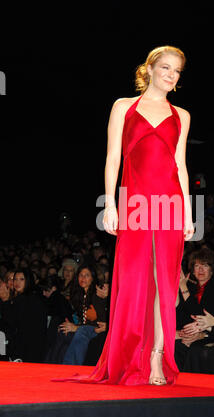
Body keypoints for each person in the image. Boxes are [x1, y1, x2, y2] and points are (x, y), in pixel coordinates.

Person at [56, 46, 193, 386]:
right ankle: (129, 355)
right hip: (133, 203)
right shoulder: (123, 106)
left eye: (176, 71)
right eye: (165, 67)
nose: (171, 74)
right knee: (133, 282)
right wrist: (111, 205)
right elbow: (112, 159)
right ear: (149, 68)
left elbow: (181, 167)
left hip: (170, 204)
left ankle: (157, 358)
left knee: (164, 282)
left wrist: (189, 213)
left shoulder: (182, 116)